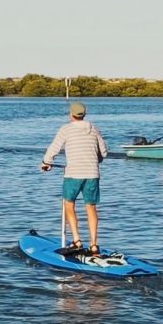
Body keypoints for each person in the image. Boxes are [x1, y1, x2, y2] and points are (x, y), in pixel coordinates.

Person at [40, 102, 108, 256]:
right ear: (84, 114)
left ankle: (76, 241)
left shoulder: (66, 129)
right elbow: (103, 153)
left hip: (73, 174)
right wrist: (95, 159)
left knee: (68, 204)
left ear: (70, 114)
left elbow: (54, 148)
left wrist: (46, 162)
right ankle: (94, 245)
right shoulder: (94, 128)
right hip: (92, 173)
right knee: (91, 207)